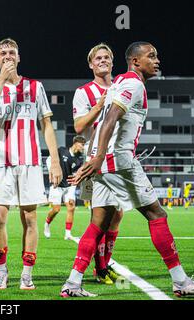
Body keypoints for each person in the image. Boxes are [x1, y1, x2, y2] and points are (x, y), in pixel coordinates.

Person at [61, 41, 194, 298]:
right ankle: (180, 280)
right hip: (116, 160)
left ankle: (72, 283)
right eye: (152, 56)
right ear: (136, 61)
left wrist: (94, 159)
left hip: (101, 161)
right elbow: (111, 118)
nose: (157, 60)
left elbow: (107, 119)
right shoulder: (133, 84)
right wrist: (99, 157)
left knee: (98, 223)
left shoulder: (119, 83)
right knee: (157, 215)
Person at [0, 38, 62, 290]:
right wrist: (2, 81)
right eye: (2, 53)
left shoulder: (35, 87)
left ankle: (27, 273)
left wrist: (55, 161)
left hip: (30, 162)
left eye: (12, 52)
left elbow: (46, 125)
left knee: (30, 219)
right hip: (0, 163)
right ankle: (2, 270)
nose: (7, 56)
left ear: (19, 57)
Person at [72, 43, 123, 285]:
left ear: (112, 62)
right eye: (98, 58)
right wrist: (99, 106)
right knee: (100, 216)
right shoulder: (84, 91)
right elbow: (79, 126)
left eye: (106, 57)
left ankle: (103, 265)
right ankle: (100, 268)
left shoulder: (122, 88)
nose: (102, 61)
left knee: (117, 215)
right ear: (91, 64)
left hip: (120, 159)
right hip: (96, 161)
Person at [44, 135, 86, 240]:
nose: (83, 147)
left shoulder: (79, 159)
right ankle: (47, 224)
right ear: (76, 143)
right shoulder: (62, 150)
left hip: (70, 185)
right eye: (82, 144)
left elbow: (76, 172)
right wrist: (52, 172)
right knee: (56, 210)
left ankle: (68, 234)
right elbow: (49, 160)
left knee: (71, 207)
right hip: (57, 184)